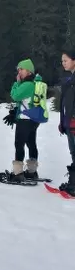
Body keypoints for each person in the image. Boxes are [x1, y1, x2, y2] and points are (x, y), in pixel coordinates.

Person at [3, 58, 49, 182]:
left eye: (21, 69)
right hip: (32, 119)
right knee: (31, 144)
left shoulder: (27, 85)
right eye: (18, 70)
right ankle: (31, 172)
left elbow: (15, 95)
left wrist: (16, 83)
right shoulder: (33, 84)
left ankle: (18, 173)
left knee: (19, 144)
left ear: (29, 71)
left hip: (25, 120)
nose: (19, 72)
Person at [58, 48, 75, 195]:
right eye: (62, 61)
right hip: (69, 123)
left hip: (74, 123)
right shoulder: (69, 79)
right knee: (73, 153)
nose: (63, 63)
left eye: (66, 60)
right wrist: (63, 121)